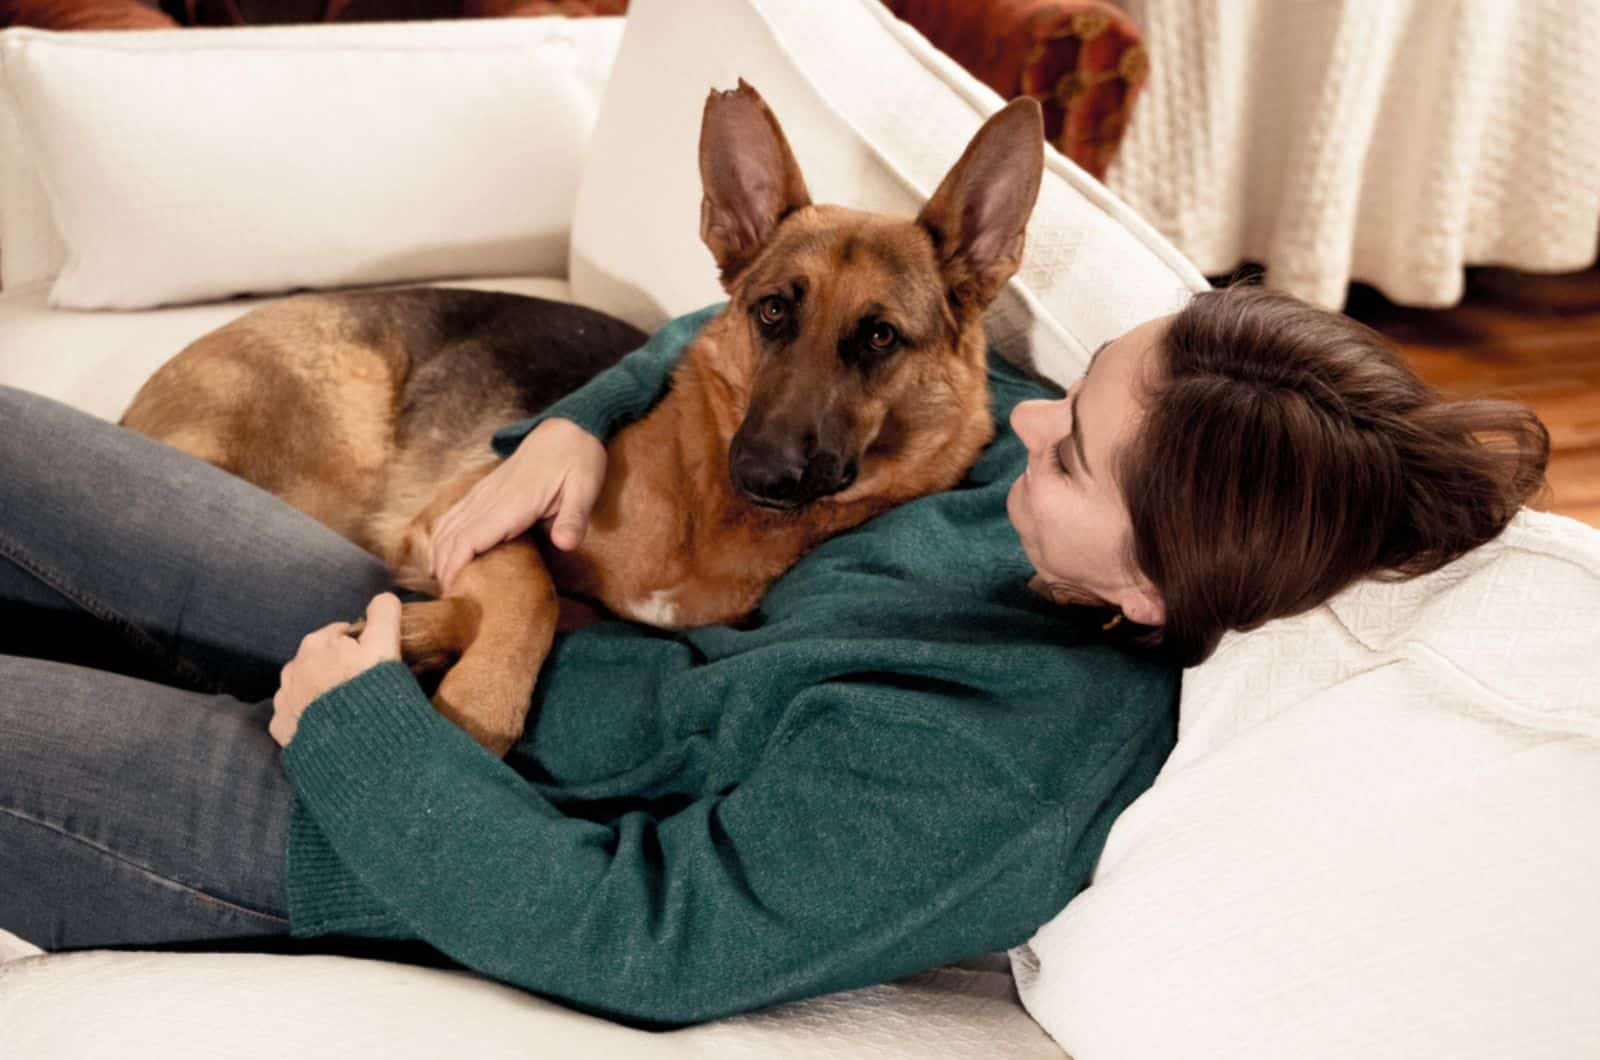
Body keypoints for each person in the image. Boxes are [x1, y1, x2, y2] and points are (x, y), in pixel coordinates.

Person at [0, 284, 1547, 1026]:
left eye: (1071, 448)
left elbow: (651, 940)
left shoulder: (1002, 759)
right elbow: (756, 322)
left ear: (1155, 593)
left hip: (401, 825)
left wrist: (359, 736)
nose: (1022, 414)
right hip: (446, 628)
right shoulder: (1025, 515)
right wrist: (578, 430)